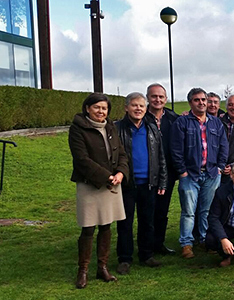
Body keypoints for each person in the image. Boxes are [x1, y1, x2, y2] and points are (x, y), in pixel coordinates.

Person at [68, 93, 128, 289]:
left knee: (106, 226)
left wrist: (120, 173)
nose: (101, 111)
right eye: (97, 108)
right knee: (88, 228)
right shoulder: (78, 128)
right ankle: (82, 271)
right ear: (87, 108)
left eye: (104, 108)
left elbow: (121, 153)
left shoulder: (111, 127)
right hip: (90, 184)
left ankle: (102, 268)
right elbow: (81, 159)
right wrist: (106, 177)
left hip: (112, 184)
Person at [171, 88, 229, 259]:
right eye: (197, 100)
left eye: (204, 99)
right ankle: (186, 244)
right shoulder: (182, 123)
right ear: (190, 103)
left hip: (211, 173)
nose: (202, 103)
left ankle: (204, 239)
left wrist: (219, 167)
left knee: (206, 210)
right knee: (188, 211)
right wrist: (182, 172)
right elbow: (176, 150)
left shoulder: (216, 123)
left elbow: (223, 146)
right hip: (190, 174)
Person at [114, 92, 167, 275]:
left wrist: (162, 180)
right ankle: (125, 258)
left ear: (146, 109)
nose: (138, 109)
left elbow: (161, 157)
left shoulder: (152, 128)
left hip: (149, 183)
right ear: (126, 107)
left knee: (147, 222)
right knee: (125, 223)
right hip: (127, 184)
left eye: (141, 106)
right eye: (134, 105)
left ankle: (146, 255)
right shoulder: (117, 129)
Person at [145, 83, 179, 255]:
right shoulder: (141, 118)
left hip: (168, 173)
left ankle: (159, 243)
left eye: (161, 97)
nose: (157, 100)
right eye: (154, 96)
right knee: (147, 211)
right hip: (147, 173)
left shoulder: (173, 119)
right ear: (148, 98)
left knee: (162, 210)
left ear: (166, 99)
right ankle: (146, 247)